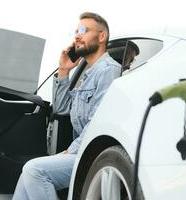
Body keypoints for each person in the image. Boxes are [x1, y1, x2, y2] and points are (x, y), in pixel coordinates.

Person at [12, 12, 121, 200]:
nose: (77, 35)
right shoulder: (87, 75)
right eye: (76, 31)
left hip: (95, 154)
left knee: (34, 171)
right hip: (81, 151)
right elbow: (61, 109)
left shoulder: (108, 70)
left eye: (84, 30)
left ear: (102, 36)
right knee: (27, 173)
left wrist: (70, 150)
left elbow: (99, 122)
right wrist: (63, 71)